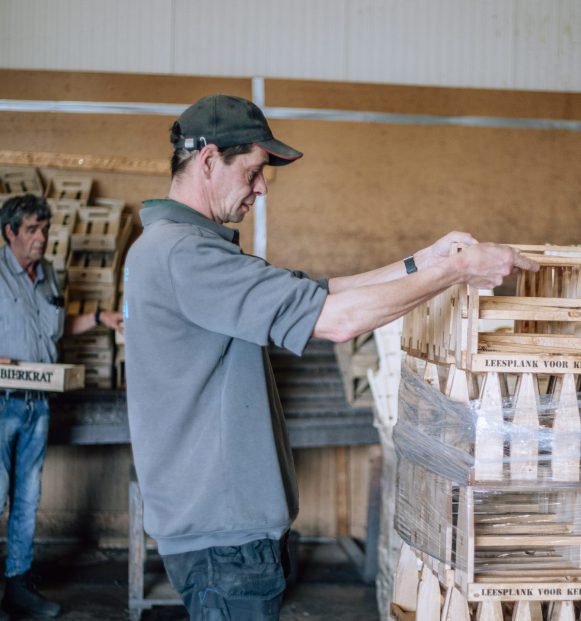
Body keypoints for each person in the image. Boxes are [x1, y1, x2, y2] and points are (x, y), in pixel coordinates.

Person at [123, 94, 538, 621]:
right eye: (252, 171)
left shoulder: (174, 248)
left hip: (217, 530)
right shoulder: (187, 255)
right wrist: (457, 272)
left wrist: (422, 262)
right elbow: (337, 321)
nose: (261, 187)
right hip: (224, 537)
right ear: (209, 161)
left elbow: (318, 292)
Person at [0, 194, 123, 620]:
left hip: (39, 404)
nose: (41, 238)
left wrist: (101, 318)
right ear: (10, 231)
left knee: (27, 498)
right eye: (32, 229)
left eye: (45, 229)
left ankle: (18, 585)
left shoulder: (50, 275)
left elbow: (58, 329)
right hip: (2, 404)